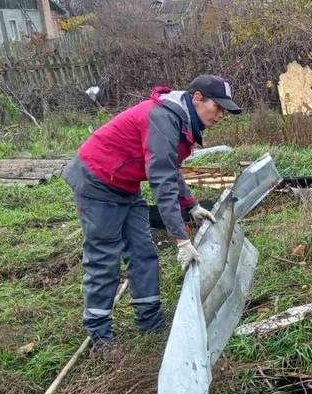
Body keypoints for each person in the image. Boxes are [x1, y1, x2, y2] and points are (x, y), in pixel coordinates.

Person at [63, 75, 242, 347]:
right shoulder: (163, 119)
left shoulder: (180, 120)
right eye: (217, 107)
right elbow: (161, 181)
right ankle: (99, 334)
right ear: (197, 98)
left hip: (125, 182)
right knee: (104, 257)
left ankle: (150, 322)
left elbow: (169, 168)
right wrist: (181, 240)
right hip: (97, 180)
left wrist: (191, 205)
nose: (220, 115)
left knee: (143, 251)